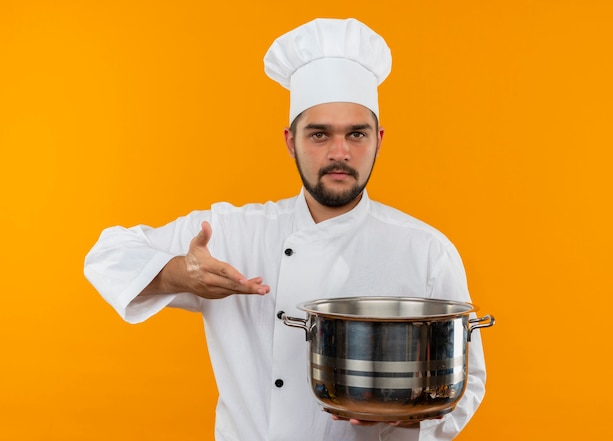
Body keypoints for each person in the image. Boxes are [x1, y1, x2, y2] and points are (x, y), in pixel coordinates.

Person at [84, 18, 487, 441]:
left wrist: (407, 421)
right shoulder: (232, 232)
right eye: (319, 134)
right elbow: (107, 253)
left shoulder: (425, 250)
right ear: (290, 141)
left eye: (356, 134)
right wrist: (178, 274)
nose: (339, 152)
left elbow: (468, 380)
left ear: (379, 140)